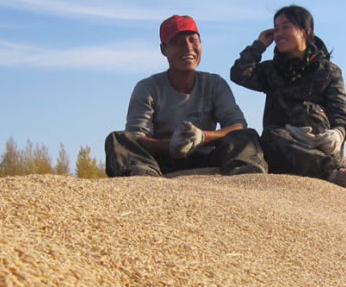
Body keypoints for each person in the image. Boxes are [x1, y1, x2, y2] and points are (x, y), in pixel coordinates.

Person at [105, 15, 267, 178]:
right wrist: (171, 146)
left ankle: (245, 175)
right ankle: (143, 177)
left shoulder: (214, 83)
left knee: (247, 135)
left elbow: (237, 126)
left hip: (208, 159)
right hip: (160, 163)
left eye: (193, 40)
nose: (188, 47)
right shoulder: (147, 88)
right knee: (118, 139)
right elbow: (136, 137)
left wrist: (202, 137)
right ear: (163, 50)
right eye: (177, 42)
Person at [230, 5, 346, 188]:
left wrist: (338, 133)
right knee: (266, 134)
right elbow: (239, 74)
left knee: (305, 110)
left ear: (306, 32)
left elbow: (340, 112)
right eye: (275, 29)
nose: (279, 34)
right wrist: (259, 45)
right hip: (281, 146)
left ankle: (333, 172)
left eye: (286, 27)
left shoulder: (329, 71)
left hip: (320, 145)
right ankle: (331, 172)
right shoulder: (271, 70)